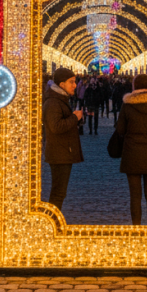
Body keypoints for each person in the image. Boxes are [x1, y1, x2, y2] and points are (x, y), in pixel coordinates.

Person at [114, 73, 147, 225]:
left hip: (132, 153)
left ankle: (136, 227)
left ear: (135, 86)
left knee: (135, 196)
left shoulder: (127, 105)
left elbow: (121, 129)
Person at [43, 67, 84, 211]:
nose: (75, 85)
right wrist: (74, 117)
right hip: (59, 153)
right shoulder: (53, 102)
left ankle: (53, 222)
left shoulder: (59, 99)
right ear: (61, 85)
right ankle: (52, 223)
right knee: (58, 193)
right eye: (71, 82)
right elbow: (56, 127)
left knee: (59, 192)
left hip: (62, 152)